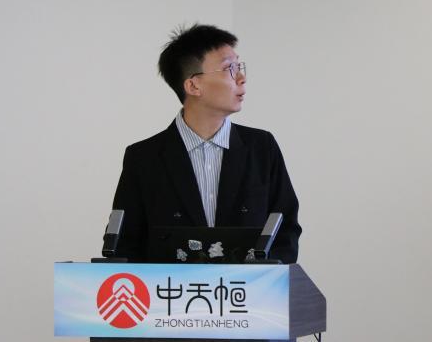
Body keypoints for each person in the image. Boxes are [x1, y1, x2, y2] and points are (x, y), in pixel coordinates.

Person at [111, 24, 301, 264]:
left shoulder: (262, 147)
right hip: (170, 287)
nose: (241, 78)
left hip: (249, 287)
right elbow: (126, 244)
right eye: (229, 68)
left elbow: (286, 230)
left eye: (239, 67)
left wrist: (267, 276)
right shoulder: (144, 158)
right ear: (193, 86)